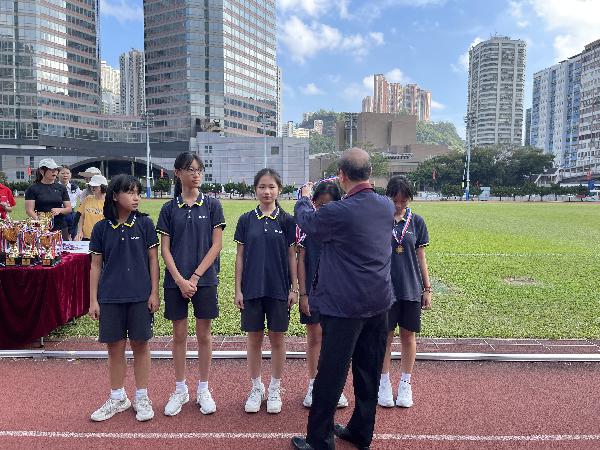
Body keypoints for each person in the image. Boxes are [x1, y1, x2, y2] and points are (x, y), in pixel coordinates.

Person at [291, 148, 395, 450]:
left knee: (331, 374)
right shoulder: (386, 206)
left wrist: (304, 196)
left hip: (344, 307)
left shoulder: (338, 211)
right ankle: (361, 432)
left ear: (341, 175)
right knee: (368, 370)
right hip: (379, 303)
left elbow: (307, 221)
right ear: (370, 172)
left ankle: (320, 441)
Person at [156, 152, 226, 417]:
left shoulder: (212, 205)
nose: (196, 174)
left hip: (204, 280)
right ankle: (180, 389)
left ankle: (203, 389)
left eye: (199, 170)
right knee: (179, 336)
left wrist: (194, 278)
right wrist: (179, 280)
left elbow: (216, 245)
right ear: (178, 173)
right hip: (176, 282)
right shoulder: (169, 208)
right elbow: (165, 249)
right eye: (190, 169)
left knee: (204, 335)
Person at [88, 174, 160, 423]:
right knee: (115, 349)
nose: (136, 197)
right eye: (130, 192)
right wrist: (93, 300)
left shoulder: (145, 224)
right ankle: (118, 397)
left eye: (138, 192)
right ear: (115, 196)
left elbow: (153, 260)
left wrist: (154, 292)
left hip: (140, 296)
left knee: (141, 345)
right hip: (110, 297)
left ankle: (142, 396)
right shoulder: (101, 228)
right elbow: (95, 266)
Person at [234, 168, 298, 415]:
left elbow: (292, 256)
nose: (267, 191)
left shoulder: (287, 220)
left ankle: (274, 388)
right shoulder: (246, 220)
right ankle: (256, 387)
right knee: (254, 340)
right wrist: (238, 289)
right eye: (262, 187)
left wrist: (294, 288)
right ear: (255, 190)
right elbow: (240, 256)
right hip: (252, 289)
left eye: (271, 187)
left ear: (279, 190)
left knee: (277, 339)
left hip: (279, 289)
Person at [378, 175, 432, 409]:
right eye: (395, 200)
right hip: (385, 290)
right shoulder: (380, 221)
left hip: (410, 288)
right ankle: (384, 383)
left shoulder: (417, 221)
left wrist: (427, 288)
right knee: (385, 338)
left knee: (408, 337)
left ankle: (405, 384)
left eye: (403, 200)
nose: (399, 205)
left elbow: (421, 257)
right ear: (388, 198)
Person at [296, 181, 348, 410]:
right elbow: (301, 261)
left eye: (329, 205)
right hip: (313, 291)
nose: (324, 208)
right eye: (320, 204)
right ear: (314, 203)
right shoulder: (308, 226)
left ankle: (334, 387)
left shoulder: (343, 226)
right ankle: (313, 384)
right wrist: (303, 294)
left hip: (337, 293)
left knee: (335, 341)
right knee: (315, 338)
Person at [24, 158, 72, 240]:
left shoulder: (61, 188)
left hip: (60, 227)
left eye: (56, 170)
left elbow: (69, 208)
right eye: (51, 170)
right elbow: (29, 210)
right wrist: (41, 222)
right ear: (42, 171)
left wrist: (60, 210)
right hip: (40, 227)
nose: (55, 172)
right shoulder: (33, 189)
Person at [75, 175, 108, 241]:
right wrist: (79, 231)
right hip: (85, 236)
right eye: (91, 186)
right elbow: (82, 217)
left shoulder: (109, 202)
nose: (92, 188)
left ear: (103, 187)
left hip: (101, 237)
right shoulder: (88, 198)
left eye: (95, 186)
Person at [59, 166, 82, 239]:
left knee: (74, 236)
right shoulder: (54, 187)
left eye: (67, 173)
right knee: (61, 237)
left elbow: (83, 198)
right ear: (58, 174)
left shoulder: (74, 187)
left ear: (71, 175)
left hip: (72, 214)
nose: (65, 175)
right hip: (59, 214)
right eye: (63, 173)